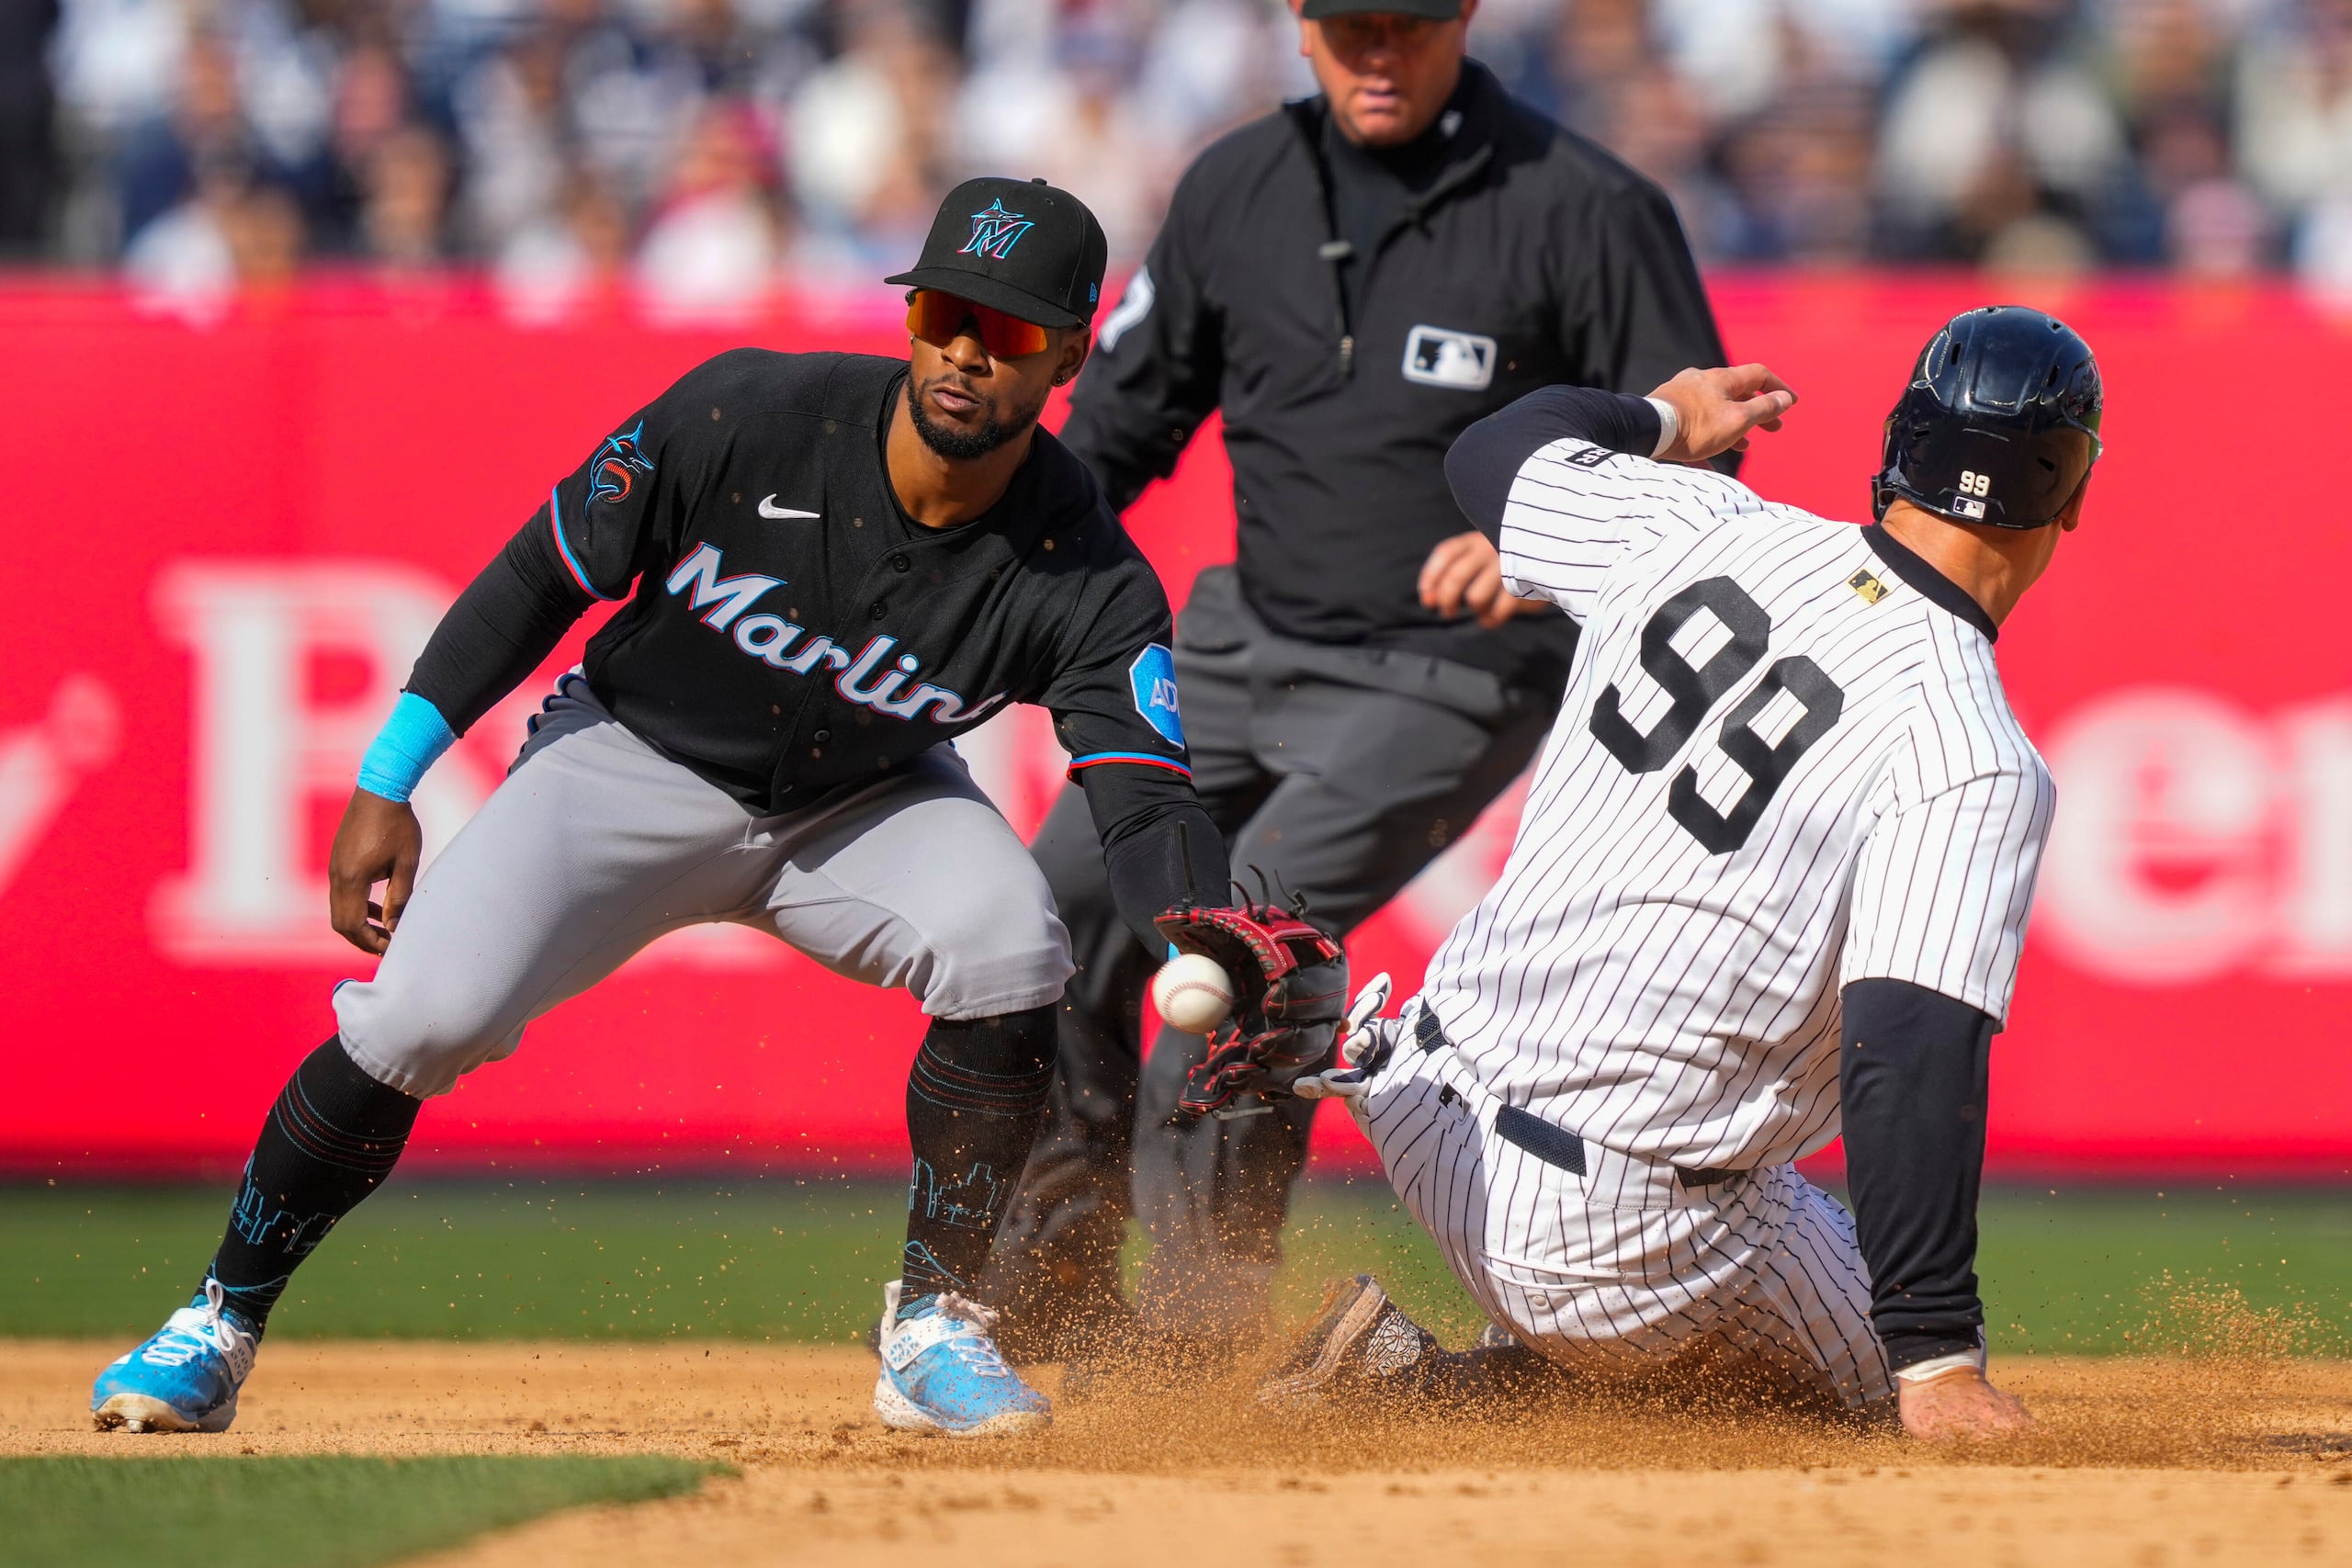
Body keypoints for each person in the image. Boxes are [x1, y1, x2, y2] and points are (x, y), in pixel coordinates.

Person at [88, 177, 1285, 1440]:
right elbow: (537, 576)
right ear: (911, 314)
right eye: (944, 309)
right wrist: (390, 772)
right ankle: (215, 1320)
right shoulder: (749, 415)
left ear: (1069, 354)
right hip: (633, 757)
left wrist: (1196, 923)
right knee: (419, 1017)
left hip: (859, 797)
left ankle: (934, 1322)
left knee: (1010, 939)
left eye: (1009, 333)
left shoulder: (1085, 571)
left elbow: (1145, 795)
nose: (964, 351)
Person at [989, 0, 1734, 1357]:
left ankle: (1194, 1346)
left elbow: (1705, 442)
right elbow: (1115, 428)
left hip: (1452, 672)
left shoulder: (1582, 205)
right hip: (1240, 645)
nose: (1375, 53)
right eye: (1347, 25)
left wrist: (1549, 542)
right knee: (1054, 907)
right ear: (1301, 25)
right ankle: (1049, 1286)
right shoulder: (1236, 186)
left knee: (1245, 938)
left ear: (1460, 18)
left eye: (1404, 22)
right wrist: (985, 570)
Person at [1267, 305, 2100, 1438]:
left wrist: (1664, 416)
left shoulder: (1700, 522)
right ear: (2070, 496)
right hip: (1605, 1239)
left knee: (1723, 1239)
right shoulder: (1973, 752)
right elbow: (1904, 1056)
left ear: (1900, 442)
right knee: (1843, 1405)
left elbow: (1489, 453)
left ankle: (1446, 1365)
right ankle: (1429, 1393)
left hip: (1419, 1104)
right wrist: (1935, 1354)